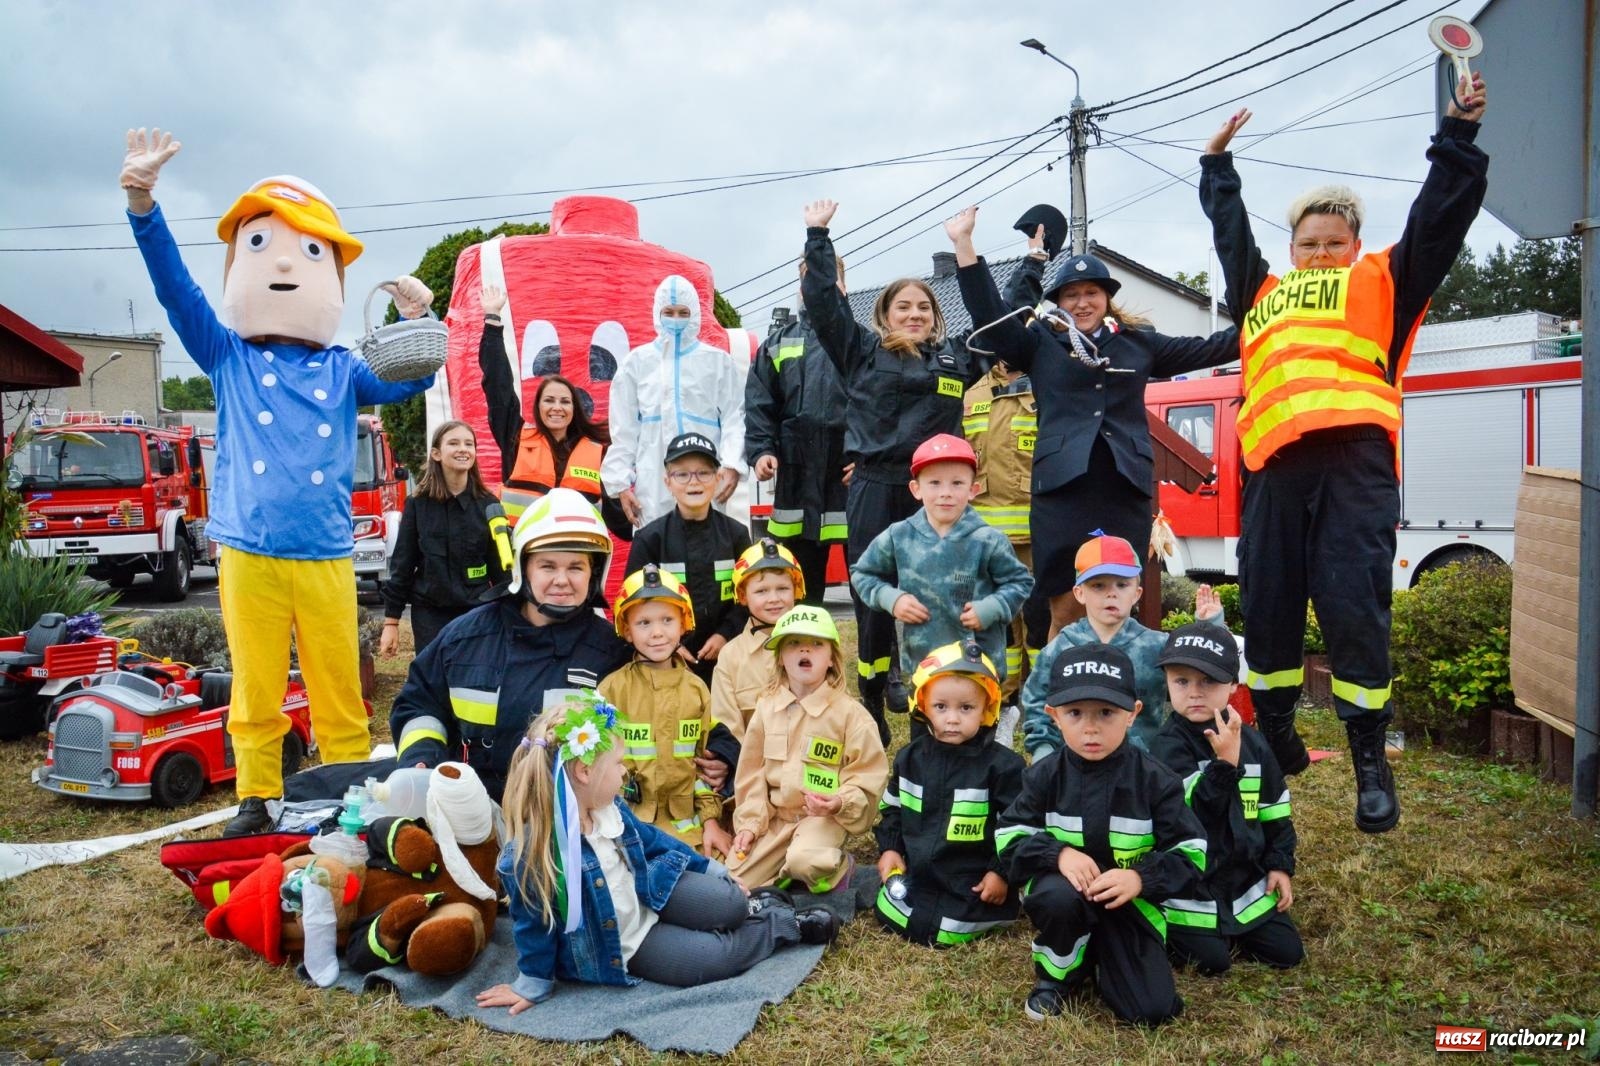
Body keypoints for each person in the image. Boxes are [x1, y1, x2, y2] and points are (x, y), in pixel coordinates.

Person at [120, 129, 436, 837]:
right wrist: (143, 206)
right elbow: (175, 292)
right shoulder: (226, 354)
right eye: (262, 246)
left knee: (337, 685)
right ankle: (257, 798)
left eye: (311, 252)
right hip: (249, 552)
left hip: (325, 553)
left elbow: (411, 374)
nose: (288, 265)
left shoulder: (344, 368)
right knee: (256, 686)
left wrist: (418, 317)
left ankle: (349, 793)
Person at [1197, 74, 1489, 833]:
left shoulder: (1387, 281)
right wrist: (1218, 167)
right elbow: (1230, 238)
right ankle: (1277, 731)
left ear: (1355, 245)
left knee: (1354, 609)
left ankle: (1368, 760)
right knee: (1267, 607)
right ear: (1292, 249)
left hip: (1355, 464)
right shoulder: (1261, 292)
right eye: (1310, 244)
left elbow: (1438, 220)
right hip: (1273, 471)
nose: (1322, 253)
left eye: (1335, 242)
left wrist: (1456, 137)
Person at [947, 207, 1240, 639]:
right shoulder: (1040, 343)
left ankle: (1116, 681)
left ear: (1106, 298)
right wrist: (964, 246)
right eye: (1071, 295)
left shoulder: (1138, 343)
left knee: (1118, 606)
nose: (1082, 303)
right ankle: (1060, 682)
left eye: (1091, 293)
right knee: (1065, 611)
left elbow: (1213, 347)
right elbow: (991, 322)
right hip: (1063, 493)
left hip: (1124, 489)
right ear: (1059, 302)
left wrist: (1269, 314)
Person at [476, 696, 839, 1013]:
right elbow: (534, 925)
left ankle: (752, 905)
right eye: (618, 764)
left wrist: (711, 869)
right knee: (711, 960)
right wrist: (533, 983)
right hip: (631, 940)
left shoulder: (609, 809)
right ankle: (782, 924)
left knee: (728, 902)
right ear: (585, 772)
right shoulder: (533, 855)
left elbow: (655, 841)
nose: (624, 772)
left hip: (651, 892)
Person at [799, 199, 988, 735]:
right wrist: (818, 236)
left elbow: (996, 322)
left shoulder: (955, 358)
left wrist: (966, 246)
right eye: (903, 307)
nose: (914, 315)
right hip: (875, 487)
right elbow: (823, 302)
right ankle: (873, 693)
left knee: (939, 595)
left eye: (923, 307)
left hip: (935, 496)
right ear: (885, 315)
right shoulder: (860, 350)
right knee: (873, 596)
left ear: (936, 316)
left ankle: (935, 692)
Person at [996, 643, 1207, 1026]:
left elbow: (1191, 854)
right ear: (1053, 716)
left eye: (1106, 713)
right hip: (1065, 896)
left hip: (1130, 904)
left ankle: (1103, 953)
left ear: (1133, 714)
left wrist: (1140, 878)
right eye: (1075, 713)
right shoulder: (1043, 775)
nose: (1090, 728)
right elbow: (1009, 839)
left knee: (1151, 1011)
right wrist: (1058, 854)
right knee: (1057, 898)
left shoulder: (1157, 780)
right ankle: (1058, 974)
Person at [389, 488, 630, 803]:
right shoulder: (465, 639)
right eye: (547, 566)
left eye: (575, 567)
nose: (561, 579)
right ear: (522, 568)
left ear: (594, 573)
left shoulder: (612, 652)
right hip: (473, 813)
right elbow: (419, 705)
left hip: (566, 819)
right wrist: (422, 756)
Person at [850, 433, 1033, 745]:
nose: (945, 493)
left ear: (973, 489)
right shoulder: (899, 536)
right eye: (934, 483)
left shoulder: (988, 540)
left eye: (957, 483)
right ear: (916, 489)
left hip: (978, 667)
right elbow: (863, 573)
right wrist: (892, 599)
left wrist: (991, 609)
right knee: (925, 745)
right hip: (926, 666)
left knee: (977, 747)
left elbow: (1020, 582)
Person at [1149, 622, 1301, 974]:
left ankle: (1233, 925)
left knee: (1287, 953)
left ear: (1233, 684)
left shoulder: (1254, 742)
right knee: (1211, 963)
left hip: (1244, 879)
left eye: (1208, 681)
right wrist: (1225, 765)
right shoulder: (1165, 747)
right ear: (1167, 683)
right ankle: (1180, 929)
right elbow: (1191, 817)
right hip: (1190, 885)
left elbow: (1275, 812)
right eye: (1181, 681)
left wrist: (1279, 865)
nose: (1194, 693)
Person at [874, 640, 1024, 946]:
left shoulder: (1004, 768)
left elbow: (1019, 828)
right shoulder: (909, 759)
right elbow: (893, 810)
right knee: (892, 910)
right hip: (917, 876)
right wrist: (890, 849)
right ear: (922, 705)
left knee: (953, 927)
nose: (952, 718)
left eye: (966, 708)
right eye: (941, 707)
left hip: (975, 884)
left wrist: (1001, 874)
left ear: (987, 708)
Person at [729, 606, 888, 894]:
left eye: (816, 643)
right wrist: (750, 824)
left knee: (805, 861)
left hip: (822, 819)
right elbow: (751, 773)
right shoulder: (766, 708)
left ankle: (837, 868)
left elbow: (867, 776)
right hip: (777, 819)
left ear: (831, 659)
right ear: (780, 657)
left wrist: (839, 802)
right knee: (734, 880)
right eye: (793, 643)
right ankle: (787, 872)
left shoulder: (850, 715)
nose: (805, 650)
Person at [1022, 535, 1223, 761]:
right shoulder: (1060, 649)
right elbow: (1037, 705)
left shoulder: (1156, 646)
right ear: (1079, 593)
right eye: (1098, 585)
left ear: (1137, 593)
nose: (1112, 593)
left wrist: (1210, 626)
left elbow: (1201, 671)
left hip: (1143, 766)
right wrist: (1043, 754)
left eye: (1122, 584)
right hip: (1076, 766)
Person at [598, 565, 730, 857]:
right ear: (627, 631)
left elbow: (702, 766)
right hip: (626, 828)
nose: (657, 632)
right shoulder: (612, 690)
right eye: (644, 623)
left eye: (667, 620)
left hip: (689, 831)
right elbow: (598, 769)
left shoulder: (696, 690)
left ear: (684, 624)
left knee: (724, 877)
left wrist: (711, 822)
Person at [601, 275, 745, 528]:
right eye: (668, 312)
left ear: (695, 313)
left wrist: (732, 463)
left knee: (706, 539)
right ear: (657, 312)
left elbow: (735, 418)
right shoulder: (636, 363)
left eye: (683, 312)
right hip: (653, 477)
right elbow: (623, 431)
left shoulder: (717, 362)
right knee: (655, 541)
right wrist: (621, 484)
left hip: (704, 473)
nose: (676, 319)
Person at [745, 260, 850, 606]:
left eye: (828, 279)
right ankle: (801, 637)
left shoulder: (860, 341)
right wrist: (761, 451)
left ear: (843, 286)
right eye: (809, 280)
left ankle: (878, 643)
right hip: (796, 476)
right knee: (801, 586)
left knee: (868, 583)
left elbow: (879, 406)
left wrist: (868, 456)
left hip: (851, 476)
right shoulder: (776, 344)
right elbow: (760, 405)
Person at [962, 345, 1049, 739]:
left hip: (1036, 533)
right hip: (985, 539)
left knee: (1038, 622)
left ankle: (1040, 703)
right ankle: (1003, 702)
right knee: (999, 626)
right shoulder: (973, 392)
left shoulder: (1047, 385)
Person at [478, 283, 613, 529]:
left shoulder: (598, 451)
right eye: (549, 400)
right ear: (538, 407)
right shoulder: (515, 437)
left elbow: (618, 513)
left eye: (565, 401)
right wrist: (493, 321)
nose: (556, 407)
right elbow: (498, 387)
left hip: (578, 547)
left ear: (575, 409)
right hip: (525, 546)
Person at [625, 433, 753, 688]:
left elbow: (748, 596)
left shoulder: (736, 535)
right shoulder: (649, 539)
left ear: (718, 478)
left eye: (703, 473)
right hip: (665, 661)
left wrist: (725, 634)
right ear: (668, 482)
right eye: (682, 474)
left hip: (728, 658)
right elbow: (632, 604)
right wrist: (670, 646)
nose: (693, 482)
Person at [380, 420, 509, 659]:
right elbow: (402, 566)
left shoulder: (489, 505)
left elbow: (501, 570)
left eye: (469, 444)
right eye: (454, 443)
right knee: (433, 676)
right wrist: (391, 622)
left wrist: (513, 614)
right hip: (430, 614)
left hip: (477, 611)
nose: (463, 449)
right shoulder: (417, 504)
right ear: (436, 454)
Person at [704, 539, 806, 796]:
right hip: (752, 781)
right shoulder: (731, 657)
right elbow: (728, 729)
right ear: (742, 596)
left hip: (807, 778)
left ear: (796, 590)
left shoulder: (816, 646)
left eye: (782, 588)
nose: (774, 599)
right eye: (761, 591)